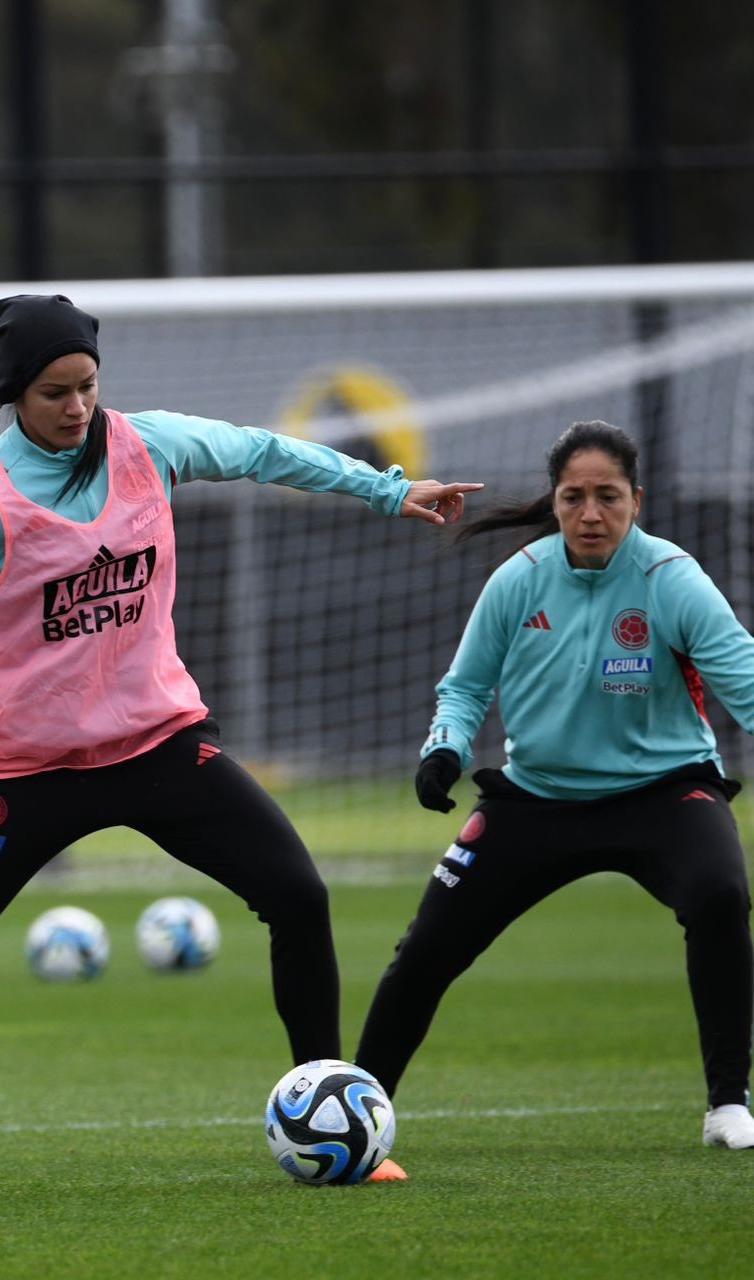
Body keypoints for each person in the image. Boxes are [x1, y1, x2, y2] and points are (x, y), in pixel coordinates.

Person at [0, 292, 483, 1200]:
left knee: (298, 896)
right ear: (11, 395)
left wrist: (390, 490)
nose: (77, 407)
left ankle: (332, 1111)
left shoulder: (146, 444)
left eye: (86, 384)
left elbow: (265, 451)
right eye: (53, 392)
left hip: (160, 746)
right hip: (26, 774)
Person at [354, 419, 754, 1182]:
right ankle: (361, 1112)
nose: (591, 513)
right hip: (535, 800)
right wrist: (443, 746)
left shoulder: (673, 579)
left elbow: (746, 682)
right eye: (575, 497)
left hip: (664, 792)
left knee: (719, 892)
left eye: (609, 497)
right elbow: (466, 687)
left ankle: (728, 1102)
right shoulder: (521, 578)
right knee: (426, 951)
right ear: (557, 500)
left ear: (636, 500)